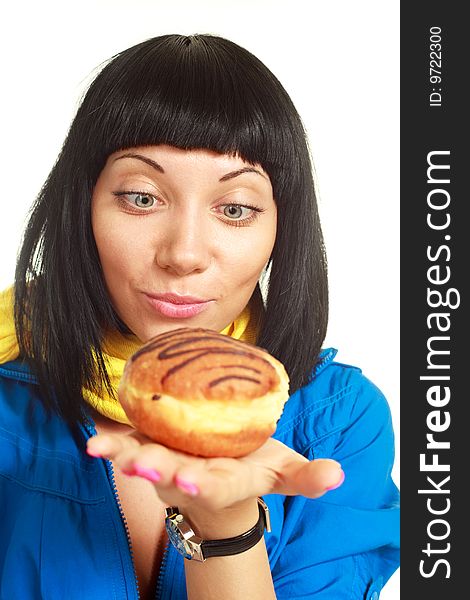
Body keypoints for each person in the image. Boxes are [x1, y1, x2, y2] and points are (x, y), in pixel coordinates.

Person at [0, 34, 399, 599]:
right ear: (83, 206)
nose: (184, 254)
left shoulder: (339, 422)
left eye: (235, 208)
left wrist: (227, 526)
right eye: (141, 197)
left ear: (282, 230)